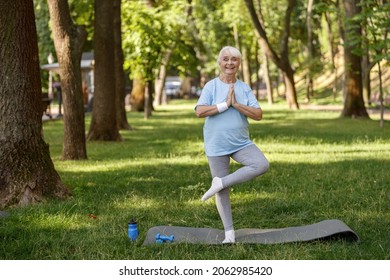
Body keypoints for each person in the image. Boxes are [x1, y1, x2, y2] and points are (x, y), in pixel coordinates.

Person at [195, 46, 269, 244]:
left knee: (261, 164)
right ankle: (229, 234)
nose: (229, 63)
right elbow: (200, 111)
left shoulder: (244, 88)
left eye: (234, 59)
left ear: (239, 64)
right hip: (216, 144)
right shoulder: (211, 86)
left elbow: (258, 114)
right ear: (220, 63)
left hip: (241, 143)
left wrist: (236, 104)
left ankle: (221, 181)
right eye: (225, 59)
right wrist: (224, 105)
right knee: (223, 193)